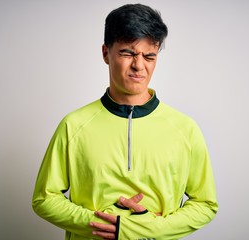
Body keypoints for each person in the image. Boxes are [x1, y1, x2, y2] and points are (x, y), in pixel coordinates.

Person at [32, 3, 218, 240]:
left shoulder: (185, 129)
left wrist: (143, 229)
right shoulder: (74, 125)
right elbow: (44, 199)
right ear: (105, 53)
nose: (139, 66)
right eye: (128, 53)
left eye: (149, 56)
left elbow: (205, 204)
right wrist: (100, 224)